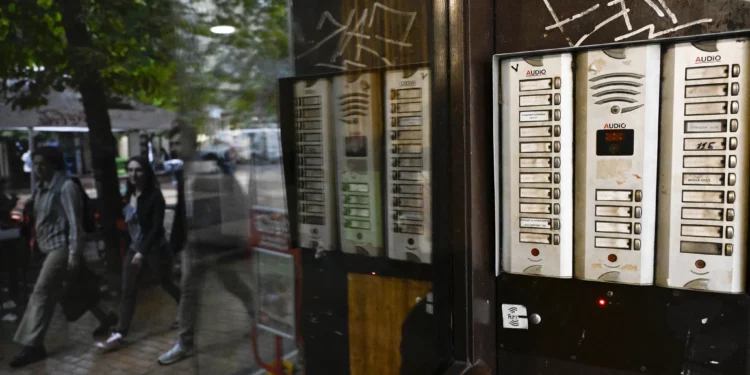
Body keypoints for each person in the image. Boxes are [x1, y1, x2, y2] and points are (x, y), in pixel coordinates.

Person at [158, 123, 255, 365]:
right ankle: (185, 342)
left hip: (215, 242)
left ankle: (257, 316)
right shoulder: (183, 171)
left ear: (193, 143)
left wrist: (232, 235)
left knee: (232, 284)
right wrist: (178, 243)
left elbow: (230, 202)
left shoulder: (210, 166)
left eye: (178, 143)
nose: (174, 148)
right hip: (196, 244)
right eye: (171, 144)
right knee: (190, 291)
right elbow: (183, 210)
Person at [9, 147, 90, 367]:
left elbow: (75, 223)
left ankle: (31, 346)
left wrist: (74, 253)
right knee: (58, 295)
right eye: (35, 164)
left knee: (40, 294)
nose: (37, 168)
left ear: (54, 164)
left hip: (61, 248)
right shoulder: (42, 188)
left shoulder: (65, 187)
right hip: (47, 248)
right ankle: (107, 317)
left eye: (42, 163)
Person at [97, 156, 181, 351]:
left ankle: (185, 306)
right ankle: (119, 333)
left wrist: (142, 251)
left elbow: (155, 227)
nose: (134, 174)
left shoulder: (155, 196)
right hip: (135, 248)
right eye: (130, 170)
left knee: (166, 283)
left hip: (155, 249)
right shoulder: (130, 194)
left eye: (138, 170)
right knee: (128, 289)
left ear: (147, 173)